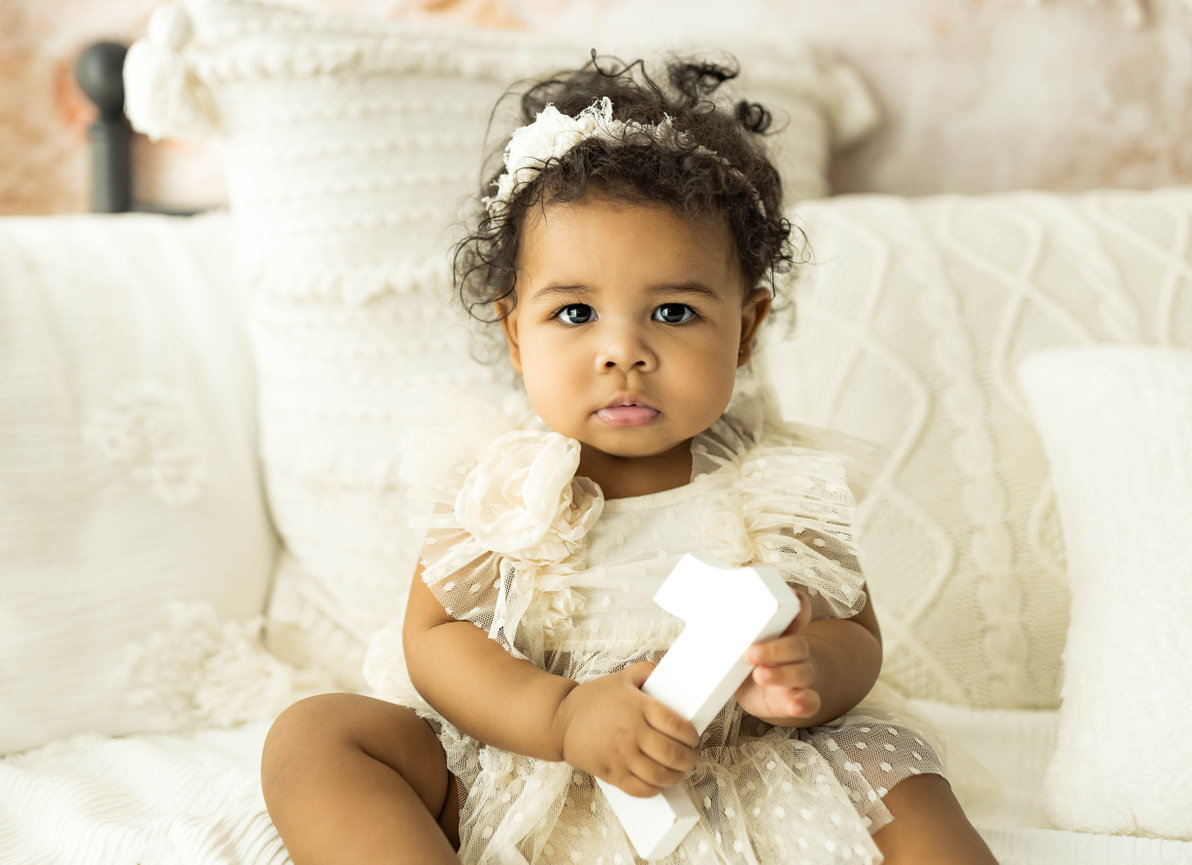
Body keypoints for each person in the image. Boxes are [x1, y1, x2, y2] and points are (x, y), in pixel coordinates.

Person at [261, 55, 998, 865]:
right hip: (533, 758)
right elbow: (435, 637)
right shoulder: (511, 485)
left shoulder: (771, 482)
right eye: (575, 311)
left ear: (745, 329)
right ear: (515, 332)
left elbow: (856, 633)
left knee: (897, 777)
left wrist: (808, 669)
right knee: (316, 735)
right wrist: (563, 715)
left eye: (673, 311)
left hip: (736, 764)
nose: (623, 351)